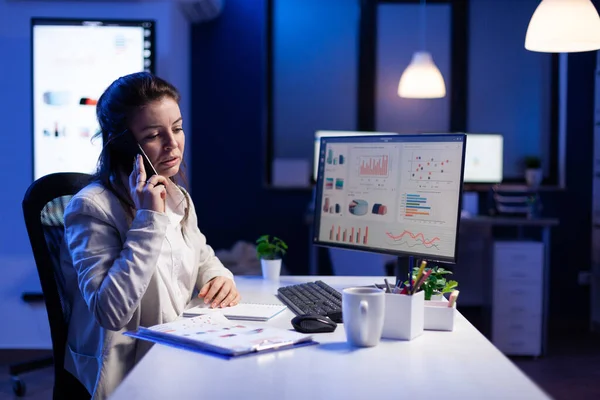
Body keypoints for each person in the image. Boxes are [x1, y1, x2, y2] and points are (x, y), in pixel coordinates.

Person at [59, 72, 239, 399]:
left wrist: (218, 274)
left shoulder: (177, 196)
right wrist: (148, 219)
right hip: (128, 372)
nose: (173, 144)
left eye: (178, 128)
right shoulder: (90, 209)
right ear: (124, 144)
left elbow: (201, 252)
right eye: (155, 134)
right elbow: (110, 311)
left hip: (177, 348)